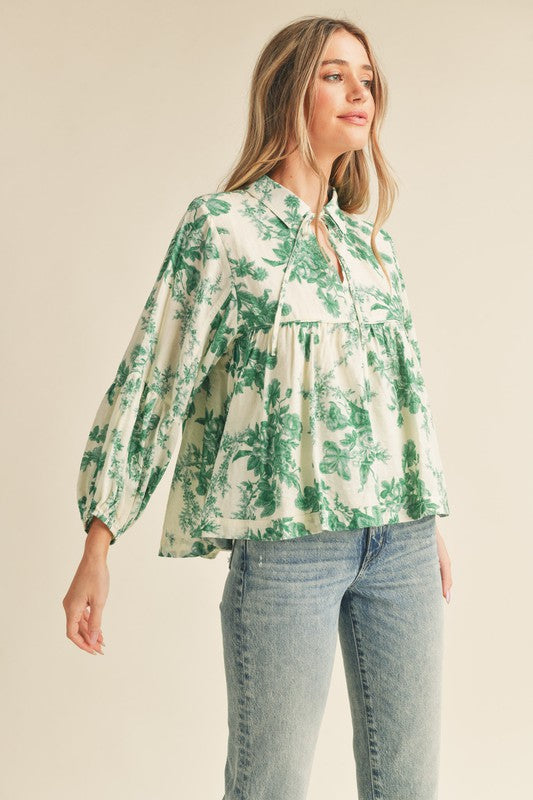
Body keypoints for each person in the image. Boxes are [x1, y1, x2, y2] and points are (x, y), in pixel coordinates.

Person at [63, 14, 453, 800]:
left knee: (409, 785)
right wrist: (99, 540)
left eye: (367, 79)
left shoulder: (373, 247)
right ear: (286, 91)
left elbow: (398, 398)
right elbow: (155, 379)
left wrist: (427, 514)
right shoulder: (222, 228)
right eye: (334, 75)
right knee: (270, 783)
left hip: (402, 545)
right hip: (287, 549)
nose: (360, 93)